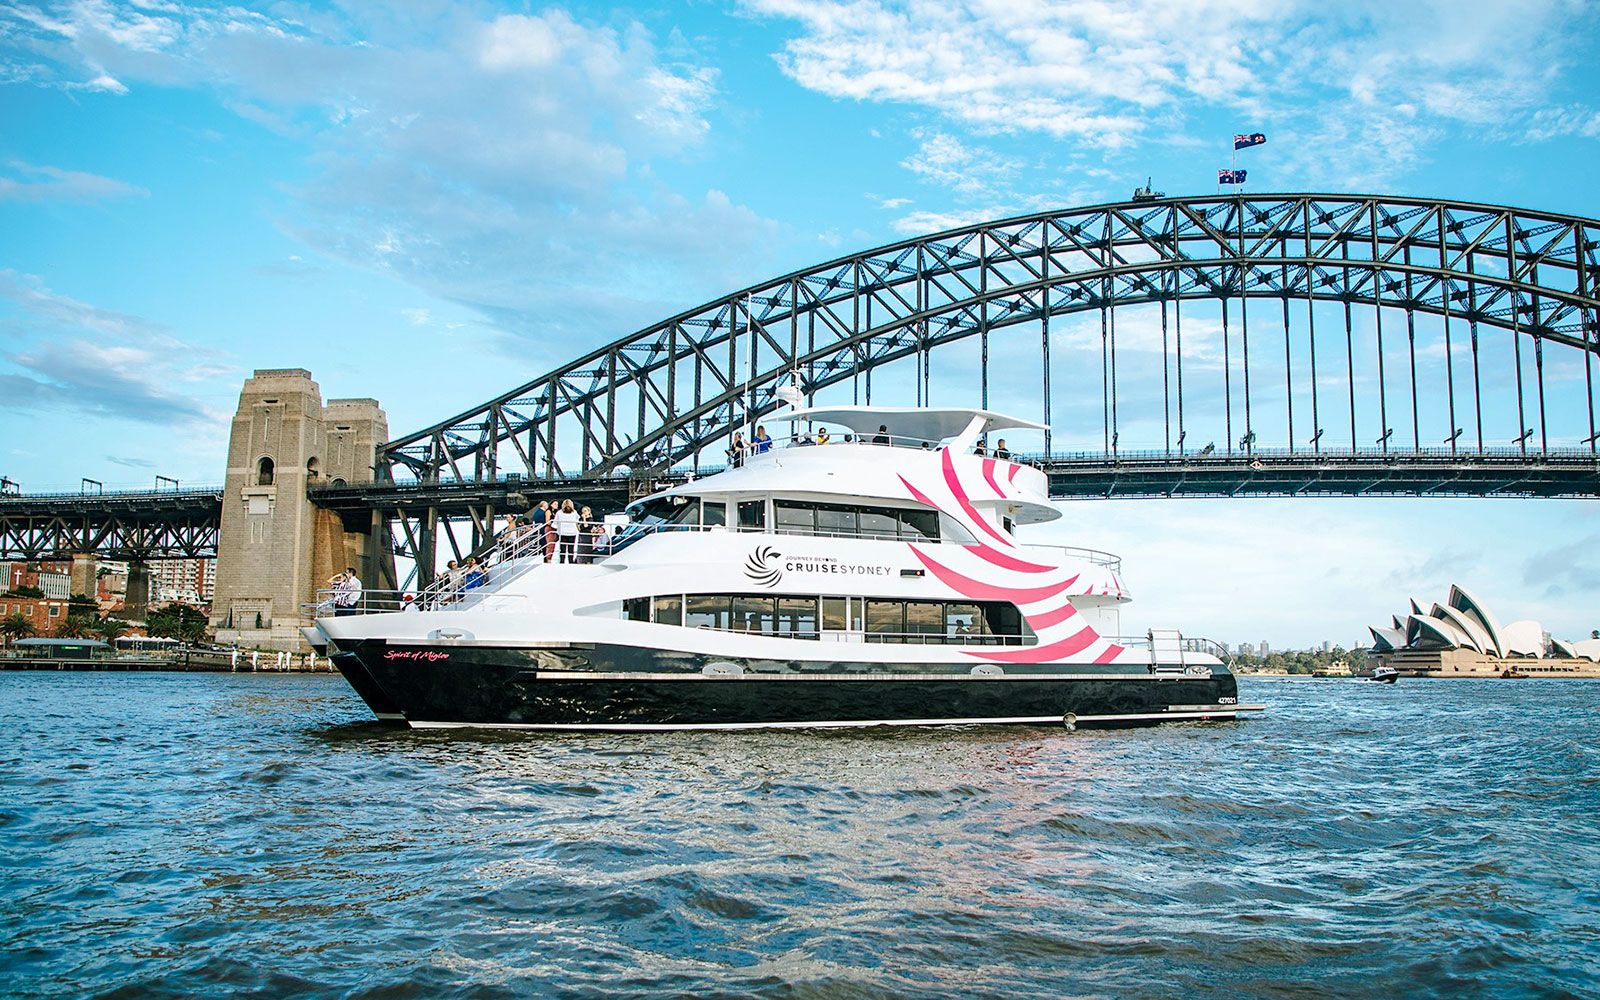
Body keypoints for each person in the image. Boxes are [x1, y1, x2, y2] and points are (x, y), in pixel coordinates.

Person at [555, 498, 580, 563]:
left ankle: (562, 562)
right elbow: (577, 521)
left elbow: (555, 522)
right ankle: (571, 562)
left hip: (562, 532)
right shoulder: (574, 512)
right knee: (571, 549)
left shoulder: (559, 512)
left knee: (562, 549)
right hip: (572, 532)